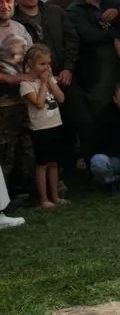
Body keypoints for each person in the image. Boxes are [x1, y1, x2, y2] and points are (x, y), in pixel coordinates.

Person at [10, 0, 90, 178]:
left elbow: (72, 41)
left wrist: (68, 68)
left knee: (81, 120)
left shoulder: (55, 11)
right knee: (48, 129)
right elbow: (16, 56)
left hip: (64, 78)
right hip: (36, 84)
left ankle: (89, 166)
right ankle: (60, 172)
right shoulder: (14, 22)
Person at [66, 0, 120, 117]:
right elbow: (90, 35)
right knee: (101, 110)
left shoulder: (112, 2)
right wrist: (118, 33)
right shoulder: (75, 9)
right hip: (96, 70)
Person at [19, 45, 69, 209]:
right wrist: (42, 83)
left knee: (54, 163)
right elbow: (39, 104)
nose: (46, 67)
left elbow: (61, 98)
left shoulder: (50, 79)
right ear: (30, 63)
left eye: (48, 63)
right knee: (42, 164)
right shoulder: (26, 84)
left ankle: (55, 196)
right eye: (42, 64)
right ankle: (44, 199)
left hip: (55, 124)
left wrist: (50, 82)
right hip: (40, 129)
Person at [0, 0, 35, 201]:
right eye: (0, 2)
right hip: (3, 103)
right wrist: (11, 79)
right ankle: (3, 200)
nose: (4, 6)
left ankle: (28, 192)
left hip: (25, 98)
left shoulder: (20, 28)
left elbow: (32, 56)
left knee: (27, 148)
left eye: (8, 1)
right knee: (5, 153)